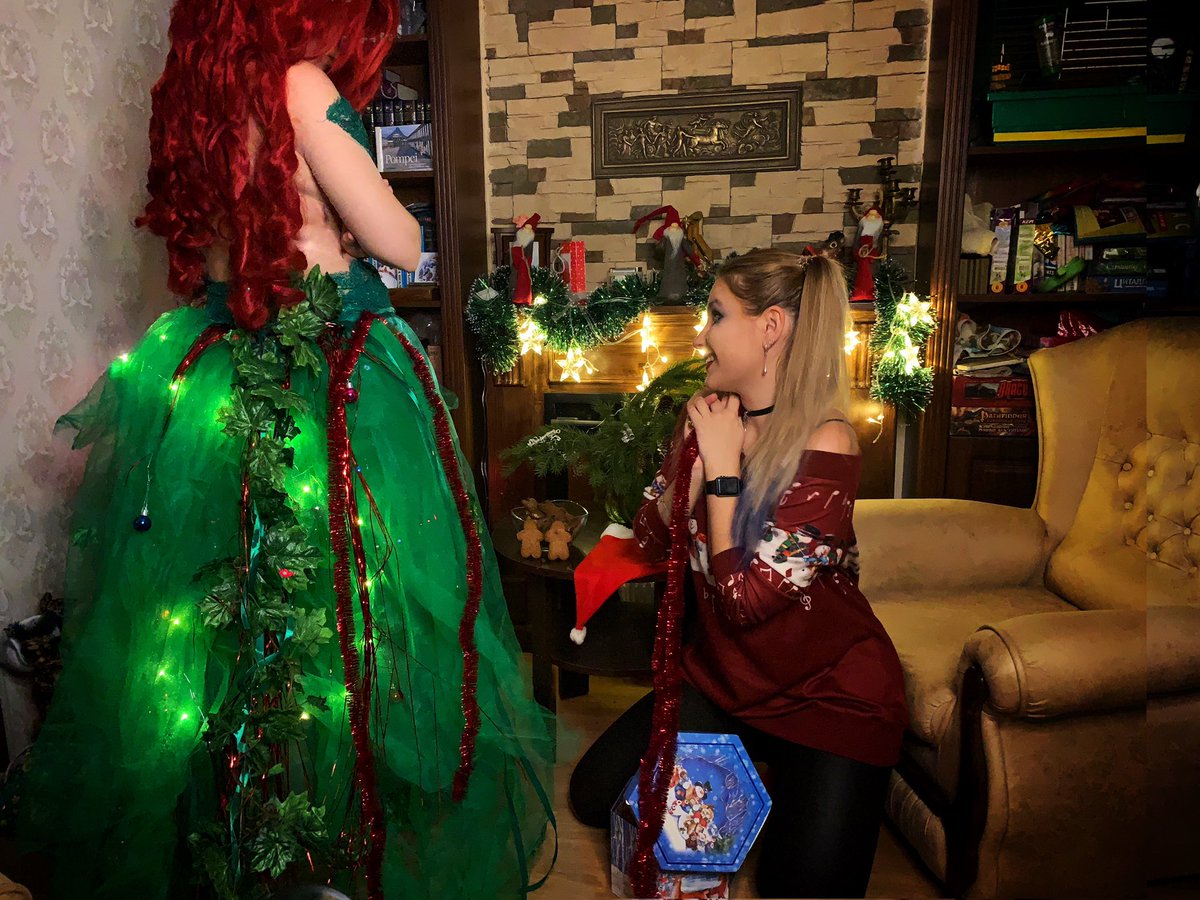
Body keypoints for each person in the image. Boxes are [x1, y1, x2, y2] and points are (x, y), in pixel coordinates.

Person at [15, 2, 553, 898]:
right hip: (328, 373)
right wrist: (345, 211)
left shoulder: (199, 96)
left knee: (223, 621)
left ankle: (245, 840)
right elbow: (401, 242)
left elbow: (215, 249)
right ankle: (326, 849)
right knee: (351, 615)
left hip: (216, 367)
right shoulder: (300, 85)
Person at [569, 248, 909, 899]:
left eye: (718, 315)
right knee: (594, 796)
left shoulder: (827, 442)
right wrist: (687, 474)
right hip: (725, 680)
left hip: (827, 694)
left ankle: (787, 792)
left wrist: (724, 476)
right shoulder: (708, 414)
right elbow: (649, 536)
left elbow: (744, 601)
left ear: (770, 328)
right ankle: (753, 787)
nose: (702, 334)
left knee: (800, 890)